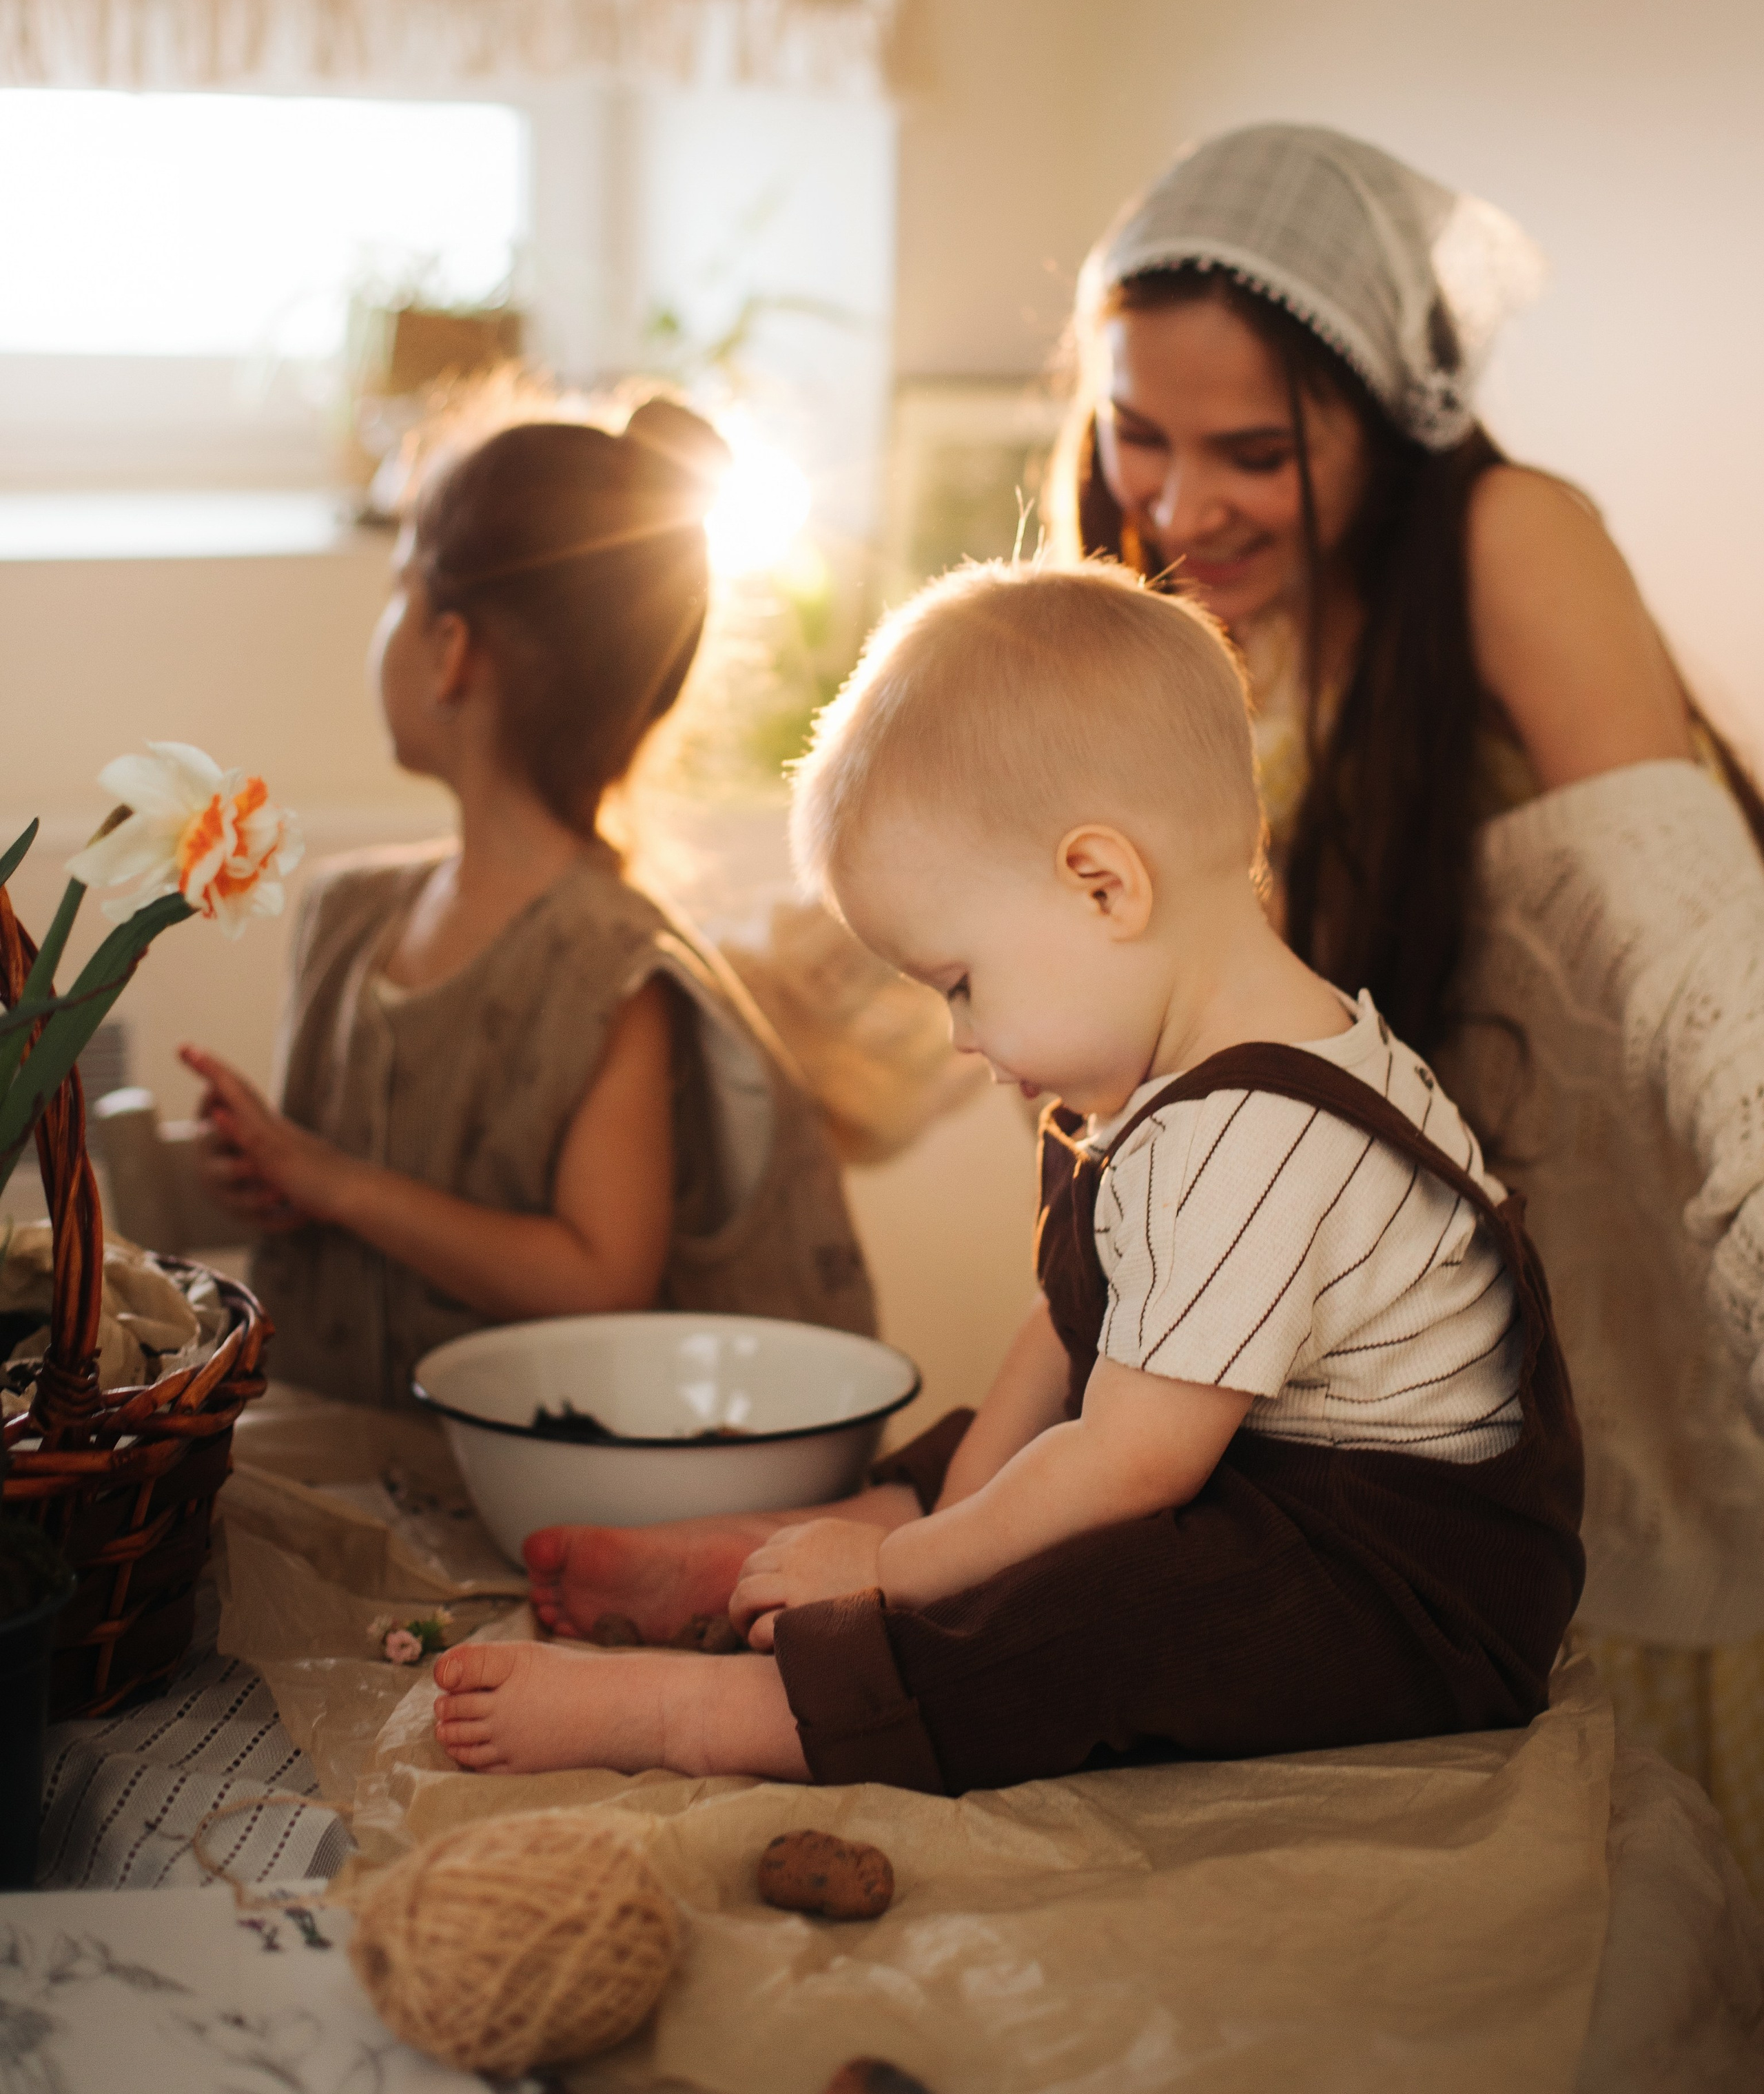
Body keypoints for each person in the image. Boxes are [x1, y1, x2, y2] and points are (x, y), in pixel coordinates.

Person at [431, 562, 1583, 1790]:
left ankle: (704, 1710)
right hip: (1250, 1478)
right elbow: (1065, 1330)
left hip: (1395, 1589)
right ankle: (809, 1545)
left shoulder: (1255, 1138)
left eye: (962, 984)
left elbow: (1133, 1465)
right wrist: (945, 1526)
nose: (962, 1039)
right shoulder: (1178, 1078)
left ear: (1103, 885)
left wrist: (903, 1578)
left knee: (1087, 1617)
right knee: (1007, 1455)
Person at [1046, 123, 1764, 1889]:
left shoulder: (1509, 538)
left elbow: (1700, 957)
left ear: (1387, 419)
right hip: (1408, 1388)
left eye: (1253, 451)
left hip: (1627, 1328)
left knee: (1657, 1907)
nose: (1177, 505)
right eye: (1137, 433)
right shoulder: (1207, 616)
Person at [184, 384, 874, 1412]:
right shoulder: (346, 918)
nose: (385, 622)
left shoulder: (613, 972)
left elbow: (599, 1275)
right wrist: (272, 1174)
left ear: (451, 650)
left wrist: (336, 1183)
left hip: (492, 1484)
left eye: (400, 585)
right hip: (317, 1440)